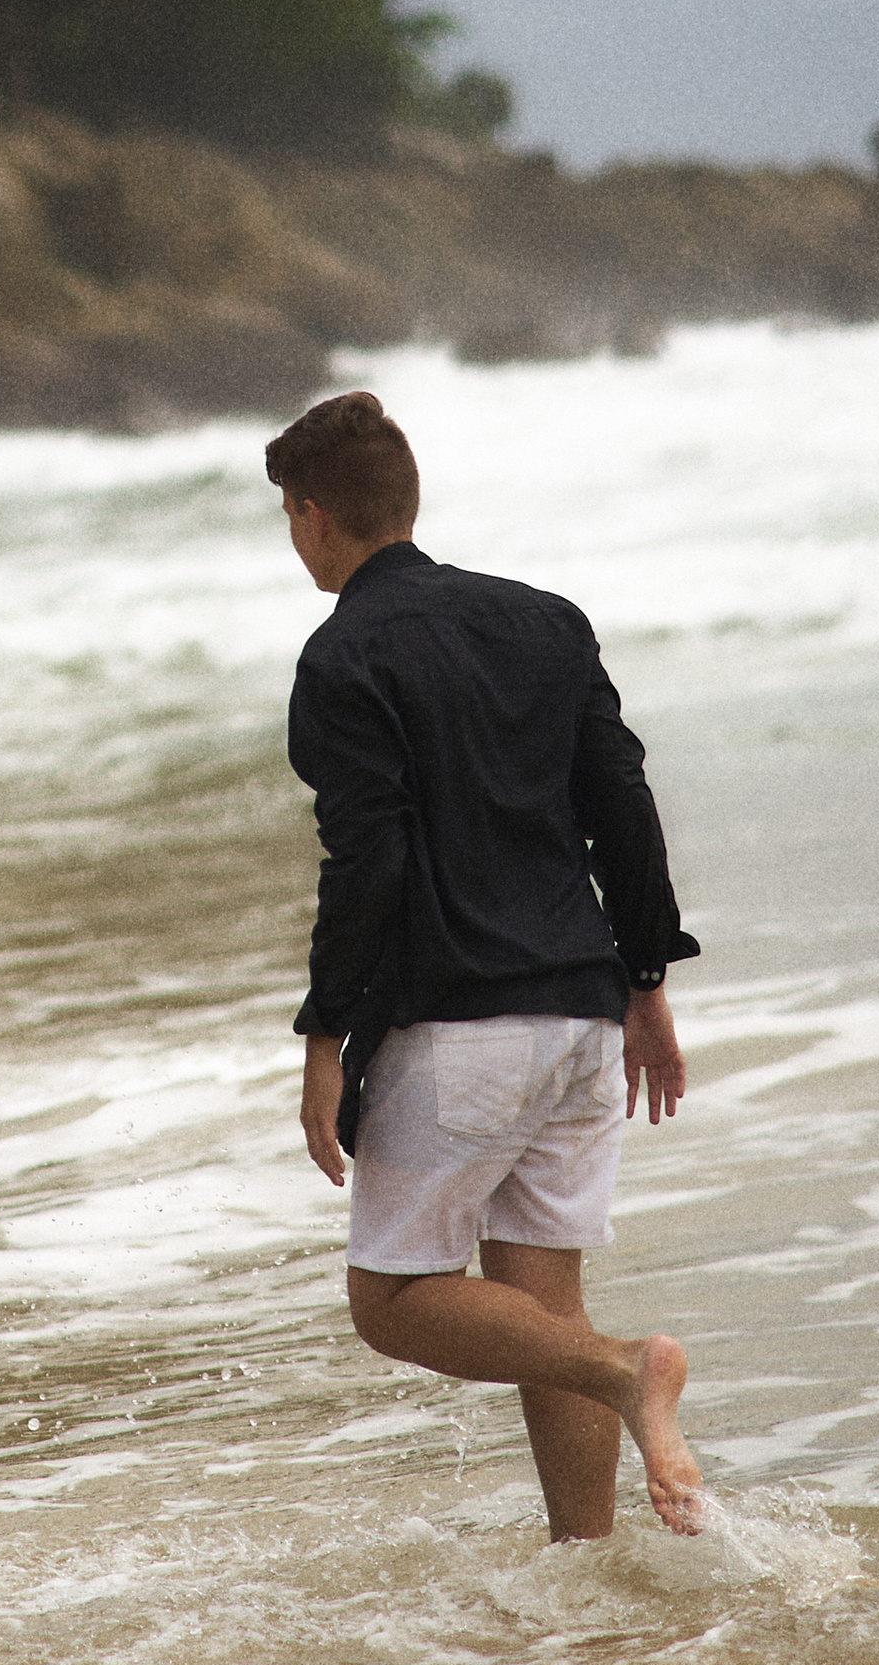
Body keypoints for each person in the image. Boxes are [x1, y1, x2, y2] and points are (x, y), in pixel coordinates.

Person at [266, 390, 705, 1538]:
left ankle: (627, 1371)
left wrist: (324, 1035)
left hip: (460, 1028)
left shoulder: (343, 656)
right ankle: (589, 1566)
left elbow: (367, 860)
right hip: (579, 1016)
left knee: (392, 1301)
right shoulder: (544, 621)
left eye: (287, 516)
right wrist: (644, 980)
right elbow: (621, 803)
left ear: (313, 516)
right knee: (536, 1307)